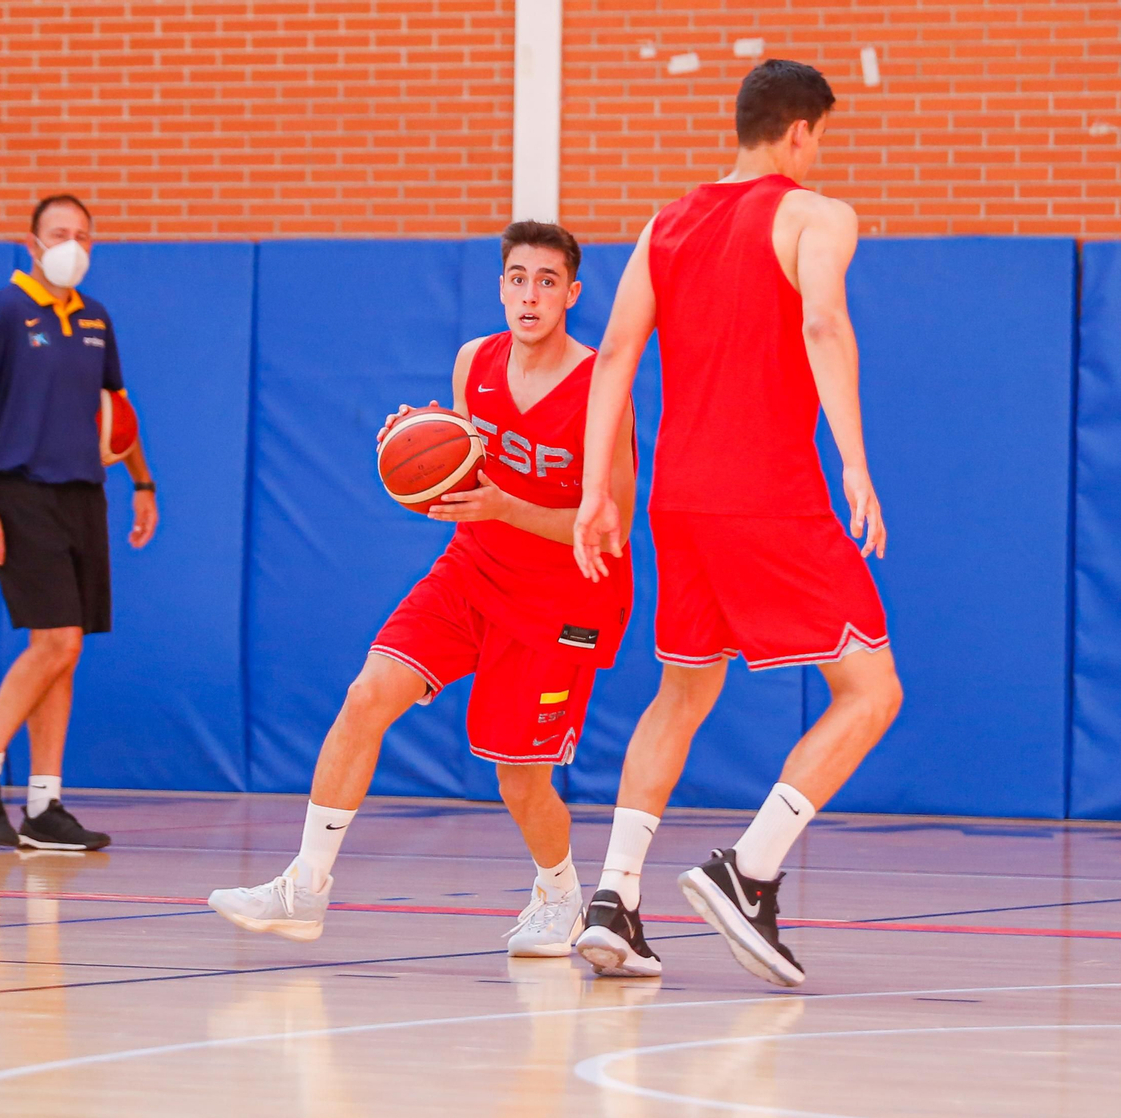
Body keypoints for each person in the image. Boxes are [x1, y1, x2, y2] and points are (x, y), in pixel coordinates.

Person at [208, 221, 644, 959]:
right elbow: (461, 463)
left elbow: (614, 527)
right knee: (366, 695)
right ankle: (304, 884)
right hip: (472, 570)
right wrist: (415, 439)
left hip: (564, 597)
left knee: (519, 779)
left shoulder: (603, 384)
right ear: (500, 286)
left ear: (571, 294)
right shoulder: (474, 360)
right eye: (516, 277)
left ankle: (561, 890)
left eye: (545, 280)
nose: (528, 293)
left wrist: (507, 505)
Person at [571, 60, 905, 987]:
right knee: (873, 691)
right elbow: (823, 326)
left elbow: (614, 361)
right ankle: (747, 870)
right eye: (821, 136)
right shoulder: (815, 214)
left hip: (677, 500)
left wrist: (599, 491)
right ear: (801, 132)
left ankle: (613, 900)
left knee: (681, 692)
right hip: (769, 494)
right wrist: (855, 462)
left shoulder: (666, 221)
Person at [0, 193, 159, 851]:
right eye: (60, 233)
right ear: (31, 244)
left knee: (67, 652)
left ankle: (43, 804)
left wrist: (141, 482)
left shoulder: (95, 318)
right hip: (20, 492)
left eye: (84, 235)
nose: (73, 244)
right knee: (56, 641)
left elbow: (118, 410)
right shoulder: (0, 313)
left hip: (83, 494)